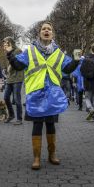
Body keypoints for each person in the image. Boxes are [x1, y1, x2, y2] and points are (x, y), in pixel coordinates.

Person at [5, 21, 79, 170]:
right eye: (44, 29)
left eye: (49, 29)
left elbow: (68, 67)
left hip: (52, 94)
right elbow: (18, 65)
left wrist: (76, 61)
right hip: (36, 93)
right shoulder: (30, 51)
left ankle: (52, 155)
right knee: (37, 124)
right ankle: (37, 157)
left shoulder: (59, 53)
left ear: (52, 33)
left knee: (51, 124)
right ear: (39, 33)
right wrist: (9, 54)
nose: (46, 31)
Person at [2, 37, 24, 125]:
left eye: (6, 43)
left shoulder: (18, 51)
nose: (4, 45)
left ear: (11, 43)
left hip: (17, 78)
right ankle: (11, 115)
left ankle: (19, 118)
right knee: (6, 97)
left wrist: (10, 53)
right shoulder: (7, 52)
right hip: (10, 78)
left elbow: (17, 64)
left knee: (17, 99)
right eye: (4, 44)